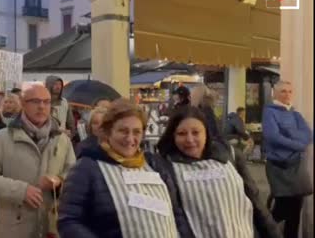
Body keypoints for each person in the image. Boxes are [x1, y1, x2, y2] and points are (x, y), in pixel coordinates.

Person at [58, 99, 194, 238]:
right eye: (123, 131)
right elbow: (69, 222)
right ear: (107, 132)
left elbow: (176, 214)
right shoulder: (87, 168)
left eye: (136, 132)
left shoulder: (155, 165)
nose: (130, 139)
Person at [157, 106, 282, 238]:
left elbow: (256, 202)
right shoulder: (165, 168)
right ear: (172, 136)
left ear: (206, 133)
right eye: (182, 133)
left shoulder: (229, 156)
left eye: (196, 132)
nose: (190, 139)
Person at [0, 84, 76, 238]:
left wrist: (59, 180)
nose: (41, 106)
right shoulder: (2, 138)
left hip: (50, 228)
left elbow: (74, 175)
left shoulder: (62, 140)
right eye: (35, 101)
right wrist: (21, 191)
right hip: (12, 229)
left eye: (46, 102)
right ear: (23, 104)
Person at [262, 80, 312, 238]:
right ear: (275, 93)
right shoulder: (270, 112)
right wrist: (298, 144)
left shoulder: (295, 113)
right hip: (279, 166)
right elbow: (273, 137)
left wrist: (294, 139)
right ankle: (261, 230)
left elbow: (308, 134)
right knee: (283, 208)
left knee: (296, 208)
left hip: (297, 167)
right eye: (283, 91)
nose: (287, 94)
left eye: (290, 91)